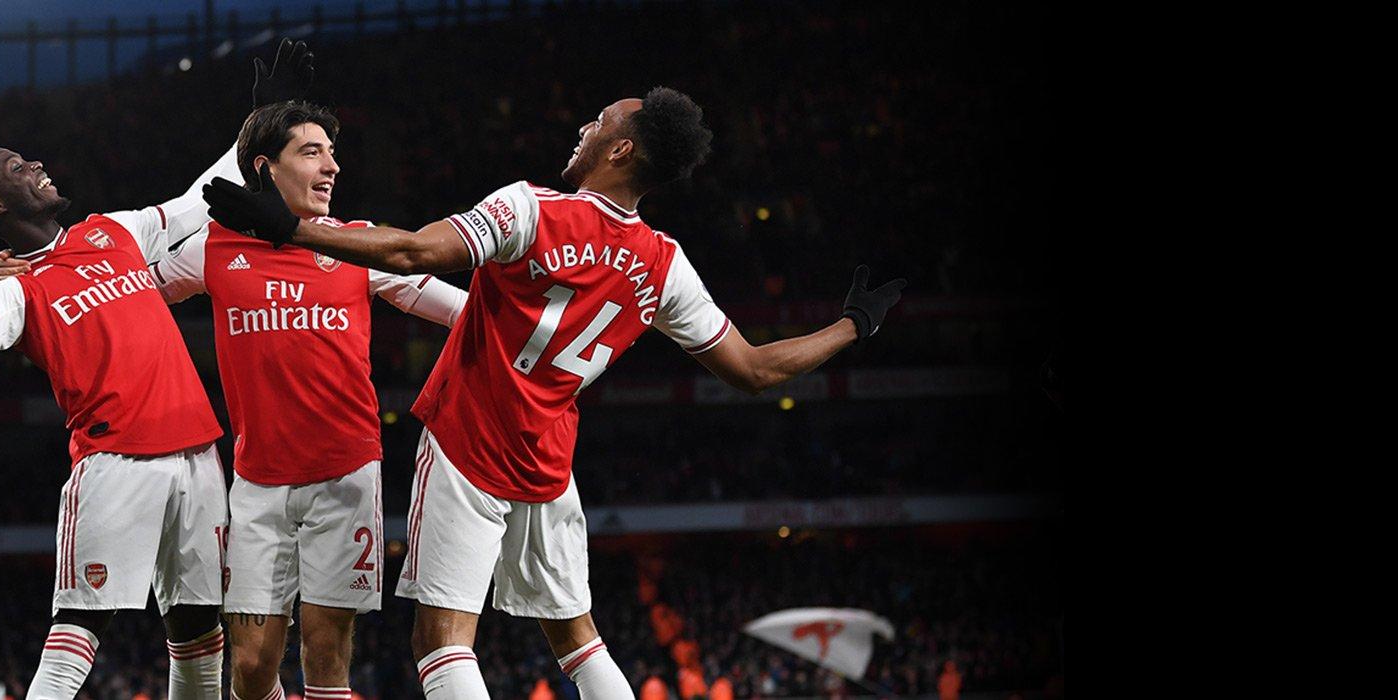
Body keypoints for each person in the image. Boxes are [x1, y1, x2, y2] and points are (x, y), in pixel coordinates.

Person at [200, 87, 905, 700]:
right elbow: (752, 369)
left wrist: (289, 230)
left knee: (442, 642)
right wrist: (851, 326)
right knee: (580, 642)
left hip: (470, 442)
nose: (584, 128)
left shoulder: (530, 210)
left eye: (599, 122)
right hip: (547, 462)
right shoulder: (664, 263)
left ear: (620, 149)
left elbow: (414, 251)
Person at [0, 42, 323, 700]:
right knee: (76, 637)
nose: (35, 164)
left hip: (198, 456)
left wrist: (264, 118)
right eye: (16, 167)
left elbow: (201, 198)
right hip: (115, 464)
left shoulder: (111, 231)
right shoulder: (18, 290)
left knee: (200, 635)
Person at [0, 51, 466, 700]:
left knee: (326, 659)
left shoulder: (358, 243)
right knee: (250, 669)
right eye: (313, 152)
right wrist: (33, 273)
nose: (332, 166)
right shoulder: (213, 249)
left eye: (332, 153)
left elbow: (461, 311)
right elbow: (118, 286)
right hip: (258, 483)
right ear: (266, 167)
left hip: (346, 475)